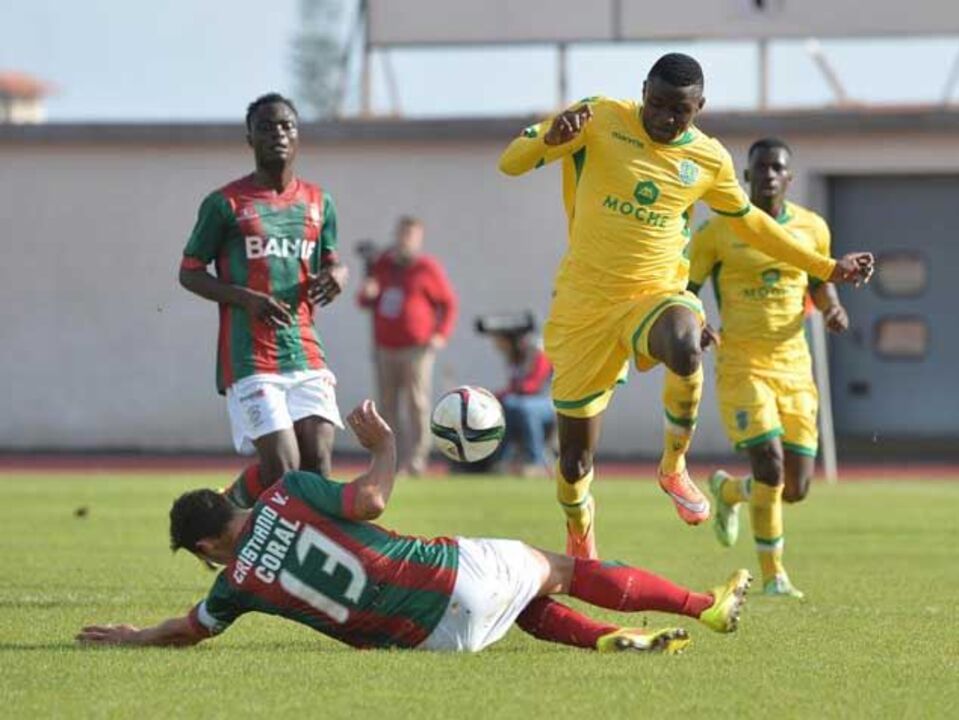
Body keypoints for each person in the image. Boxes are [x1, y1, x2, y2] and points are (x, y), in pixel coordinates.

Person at [497, 52, 874, 559]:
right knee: (574, 462)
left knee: (685, 345)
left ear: (700, 106)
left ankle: (673, 467)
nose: (666, 119)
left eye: (681, 111)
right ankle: (580, 543)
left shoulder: (708, 159)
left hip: (655, 293)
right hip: (584, 305)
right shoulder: (600, 117)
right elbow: (510, 162)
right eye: (657, 105)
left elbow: (751, 223)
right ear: (643, 91)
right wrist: (549, 138)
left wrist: (825, 268)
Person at [76, 400, 752, 655]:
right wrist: (387, 446)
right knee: (561, 570)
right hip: (449, 577)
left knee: (523, 604)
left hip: (435, 644)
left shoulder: (236, 585)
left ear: (206, 545)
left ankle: (608, 641)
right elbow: (369, 501)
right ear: (229, 506)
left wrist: (133, 634)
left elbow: (186, 631)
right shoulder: (289, 493)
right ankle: (705, 607)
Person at [688, 138, 850, 599]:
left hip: (795, 367)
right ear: (746, 176)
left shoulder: (812, 228)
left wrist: (833, 308)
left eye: (777, 168)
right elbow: (687, 287)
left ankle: (730, 493)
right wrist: (698, 324)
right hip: (743, 364)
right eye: (760, 168)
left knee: (794, 488)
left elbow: (821, 282)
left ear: (789, 177)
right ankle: (774, 575)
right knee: (770, 464)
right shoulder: (718, 231)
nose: (769, 175)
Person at [179, 93, 348, 509]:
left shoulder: (318, 201)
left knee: (318, 462)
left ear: (298, 136)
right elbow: (190, 272)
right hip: (250, 356)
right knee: (284, 468)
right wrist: (245, 299)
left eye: (287, 126)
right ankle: (233, 511)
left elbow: (332, 260)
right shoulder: (225, 204)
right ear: (249, 138)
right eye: (266, 127)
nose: (278, 134)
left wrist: (339, 275)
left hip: (305, 350)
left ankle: (306, 558)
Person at [356, 216, 458, 475]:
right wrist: (367, 292)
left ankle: (417, 459)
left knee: (416, 403)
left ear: (419, 239)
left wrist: (440, 335)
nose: (405, 240)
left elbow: (448, 304)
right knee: (387, 404)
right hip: (385, 347)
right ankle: (392, 458)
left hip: (417, 348)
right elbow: (365, 301)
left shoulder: (427, 268)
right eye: (402, 234)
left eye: (411, 236)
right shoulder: (383, 265)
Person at [492, 332, 554, 474]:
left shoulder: (539, 355)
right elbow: (513, 385)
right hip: (522, 401)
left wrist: (505, 394)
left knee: (525, 409)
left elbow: (533, 386)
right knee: (505, 408)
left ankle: (536, 461)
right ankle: (500, 460)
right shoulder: (515, 359)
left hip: (547, 402)